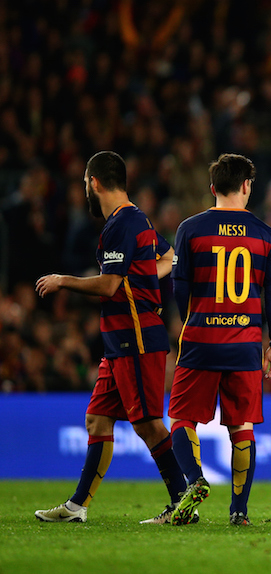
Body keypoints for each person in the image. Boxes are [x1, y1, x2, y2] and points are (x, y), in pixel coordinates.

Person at [34, 151, 187, 523]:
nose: (85, 188)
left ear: (95, 182)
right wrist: (144, 280)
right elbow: (170, 258)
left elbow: (109, 284)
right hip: (118, 338)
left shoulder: (123, 224)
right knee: (97, 419)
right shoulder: (137, 221)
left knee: (148, 422)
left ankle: (183, 499)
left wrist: (63, 280)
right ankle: (77, 507)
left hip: (134, 337)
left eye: (86, 182)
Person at [167, 153, 271, 526]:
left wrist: (196, 318)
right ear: (247, 186)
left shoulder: (190, 229)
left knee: (182, 419)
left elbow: (179, 287)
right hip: (246, 343)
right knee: (242, 426)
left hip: (200, 339)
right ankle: (239, 511)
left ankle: (195, 481)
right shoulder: (266, 235)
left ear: (213, 187)